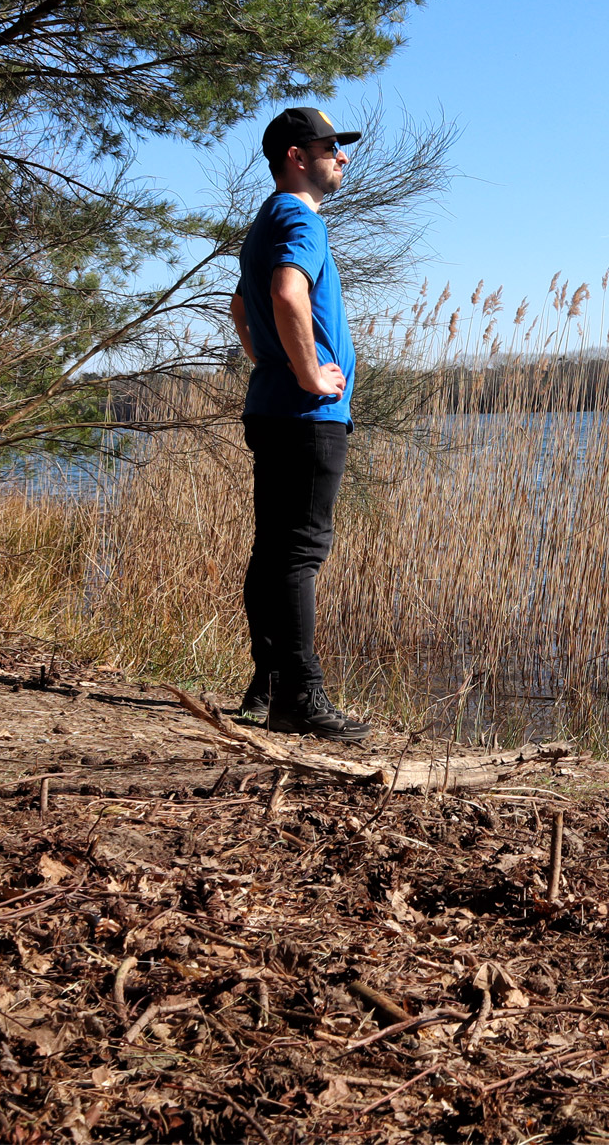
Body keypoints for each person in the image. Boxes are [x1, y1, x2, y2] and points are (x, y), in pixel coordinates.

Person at [226, 106, 374, 742]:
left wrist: (270, 361)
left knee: (274, 551)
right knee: (301, 552)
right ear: (296, 156)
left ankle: (269, 685)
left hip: (272, 407)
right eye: (329, 146)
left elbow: (240, 305)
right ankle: (302, 696)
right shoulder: (297, 216)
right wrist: (309, 374)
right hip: (306, 414)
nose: (341, 157)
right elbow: (286, 295)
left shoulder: (266, 220)